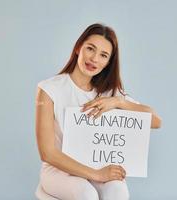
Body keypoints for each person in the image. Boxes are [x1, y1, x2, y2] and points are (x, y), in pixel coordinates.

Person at [35, 23, 162, 200]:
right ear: (79, 47)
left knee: (118, 191)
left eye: (103, 55)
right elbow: (47, 153)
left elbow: (156, 120)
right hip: (59, 172)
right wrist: (96, 174)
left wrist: (118, 102)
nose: (94, 59)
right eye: (90, 49)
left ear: (109, 62)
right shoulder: (50, 88)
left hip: (98, 166)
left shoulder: (110, 92)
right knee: (86, 193)